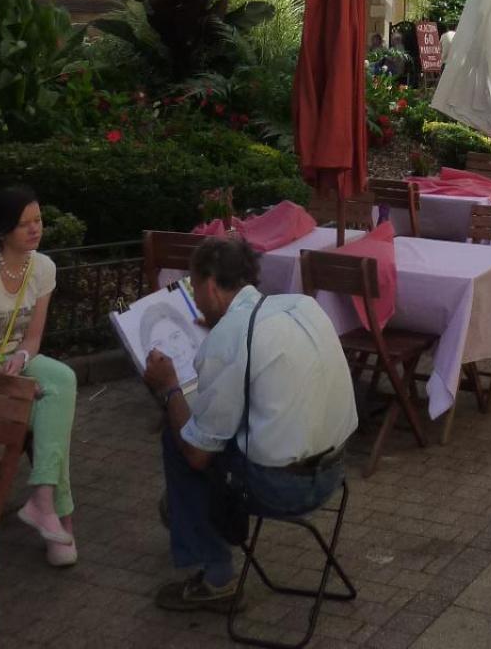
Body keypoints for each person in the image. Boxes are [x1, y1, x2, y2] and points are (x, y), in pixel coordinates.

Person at [143, 235, 358, 614]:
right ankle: (189, 517)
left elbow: (196, 453)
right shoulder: (300, 305)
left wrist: (169, 389)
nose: (196, 298)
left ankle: (217, 578)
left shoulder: (231, 336)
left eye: (195, 288)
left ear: (210, 284)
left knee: (180, 441)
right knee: (215, 436)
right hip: (335, 471)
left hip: (285, 489)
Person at [0, 185, 78, 567]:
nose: (35, 230)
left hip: (17, 365)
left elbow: (33, 336)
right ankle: (58, 516)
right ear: (2, 230)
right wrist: (11, 380)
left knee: (62, 380)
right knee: (50, 411)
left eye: (38, 220)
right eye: (24, 224)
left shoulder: (43, 268)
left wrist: (24, 358)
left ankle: (42, 497)